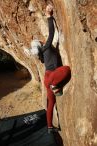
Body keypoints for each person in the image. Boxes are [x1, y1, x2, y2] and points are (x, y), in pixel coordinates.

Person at [31, 4, 71, 133]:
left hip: (47, 78)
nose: (42, 40)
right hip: (53, 77)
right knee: (67, 69)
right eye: (40, 41)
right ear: (41, 44)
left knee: (51, 104)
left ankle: (49, 127)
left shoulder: (43, 53)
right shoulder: (46, 47)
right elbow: (52, 33)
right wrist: (49, 16)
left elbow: (55, 40)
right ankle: (55, 85)